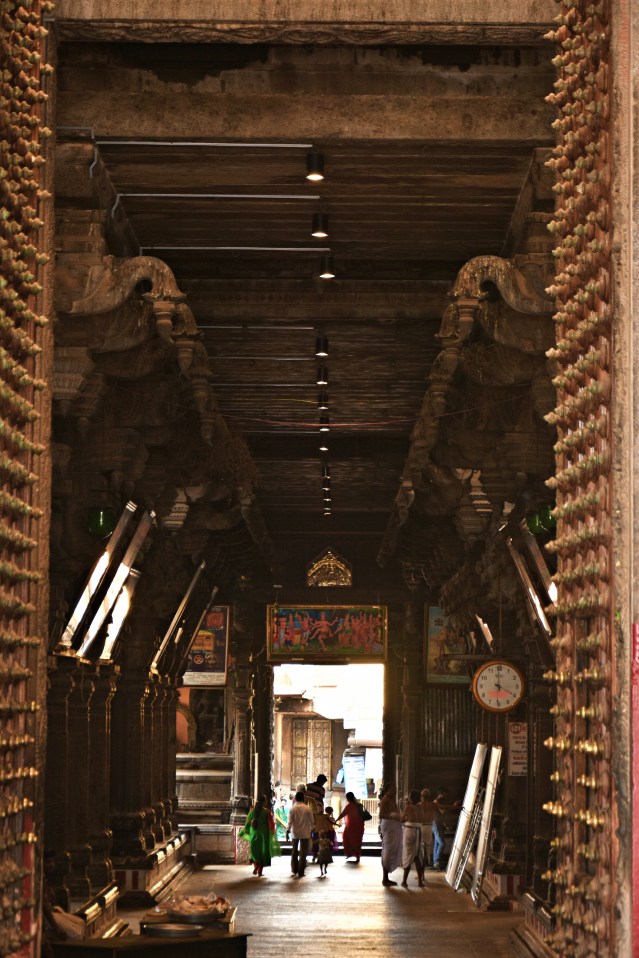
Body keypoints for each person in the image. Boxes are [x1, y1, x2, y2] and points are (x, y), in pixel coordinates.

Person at [242, 794, 277, 877]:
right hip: (263, 834)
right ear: (264, 802)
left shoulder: (252, 811)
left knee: (255, 851)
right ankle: (259, 871)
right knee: (262, 852)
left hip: (253, 833)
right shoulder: (267, 812)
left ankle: (256, 866)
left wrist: (245, 831)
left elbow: (247, 823)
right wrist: (273, 832)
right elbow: (271, 824)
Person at [287, 790, 316, 878]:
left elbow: (289, 822)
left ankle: (294, 869)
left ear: (295, 798)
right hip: (305, 833)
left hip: (295, 832)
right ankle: (301, 871)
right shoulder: (307, 808)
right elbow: (312, 821)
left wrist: (287, 830)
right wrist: (312, 830)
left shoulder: (292, 808)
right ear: (303, 798)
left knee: (294, 851)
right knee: (303, 852)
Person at [379, 781, 402, 886]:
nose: (396, 791)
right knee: (387, 851)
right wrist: (393, 816)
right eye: (394, 789)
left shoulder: (391, 799)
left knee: (390, 850)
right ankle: (385, 878)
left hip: (393, 826)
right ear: (389, 790)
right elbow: (382, 814)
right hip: (389, 827)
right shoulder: (385, 799)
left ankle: (386, 878)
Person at [401, 789, 424, 887]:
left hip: (409, 830)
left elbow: (402, 819)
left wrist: (407, 819)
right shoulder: (421, 807)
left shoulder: (408, 807)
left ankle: (404, 881)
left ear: (410, 798)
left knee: (407, 854)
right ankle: (419, 881)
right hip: (418, 831)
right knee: (417, 856)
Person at [335, 791, 365, 863]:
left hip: (351, 826)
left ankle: (350, 853)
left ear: (348, 798)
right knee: (357, 841)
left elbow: (342, 814)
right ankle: (357, 856)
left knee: (346, 837)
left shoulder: (349, 806)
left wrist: (336, 820)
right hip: (359, 826)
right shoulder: (359, 805)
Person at [418, 787, 437, 867]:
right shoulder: (432, 805)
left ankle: (421, 865)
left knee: (420, 847)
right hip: (428, 827)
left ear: (421, 796)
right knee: (427, 847)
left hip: (420, 827)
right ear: (429, 796)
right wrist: (456, 807)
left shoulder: (418, 805)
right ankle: (427, 863)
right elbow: (444, 807)